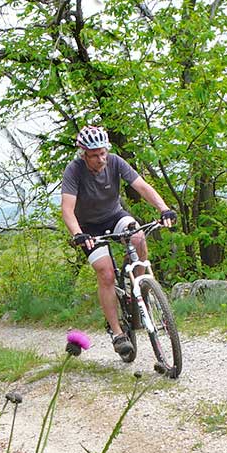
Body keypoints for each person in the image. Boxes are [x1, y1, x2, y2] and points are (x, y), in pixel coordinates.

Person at [61, 125, 176, 356]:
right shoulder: (74, 171)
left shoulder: (115, 161)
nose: (101, 159)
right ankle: (117, 332)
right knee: (105, 273)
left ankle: (138, 284)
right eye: (94, 155)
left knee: (139, 238)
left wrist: (163, 208)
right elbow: (67, 208)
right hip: (88, 227)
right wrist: (77, 234)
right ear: (83, 154)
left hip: (114, 215)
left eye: (103, 153)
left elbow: (141, 186)